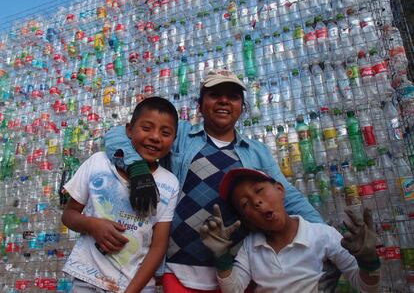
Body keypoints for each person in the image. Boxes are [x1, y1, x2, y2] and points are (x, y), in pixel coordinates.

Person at [103, 69, 324, 292]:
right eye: (215, 94)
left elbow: (289, 196)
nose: (224, 101)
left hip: (235, 271)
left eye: (233, 96)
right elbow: (116, 135)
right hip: (178, 269)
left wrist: (325, 237)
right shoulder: (181, 136)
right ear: (200, 105)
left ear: (242, 107)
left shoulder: (256, 152)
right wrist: (137, 167)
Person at [61, 97, 180, 293]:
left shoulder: (169, 183)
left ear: (173, 140)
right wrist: (93, 225)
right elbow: (69, 215)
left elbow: (159, 246)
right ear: (129, 130)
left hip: (135, 285)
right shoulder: (98, 163)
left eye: (165, 133)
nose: (155, 137)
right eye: (147, 128)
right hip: (88, 279)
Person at [200, 167, 381, 293]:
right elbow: (234, 289)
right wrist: (222, 257)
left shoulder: (323, 235)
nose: (256, 201)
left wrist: (368, 261)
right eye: (245, 204)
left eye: (259, 190)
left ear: (280, 190)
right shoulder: (250, 246)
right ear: (246, 220)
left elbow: (366, 288)